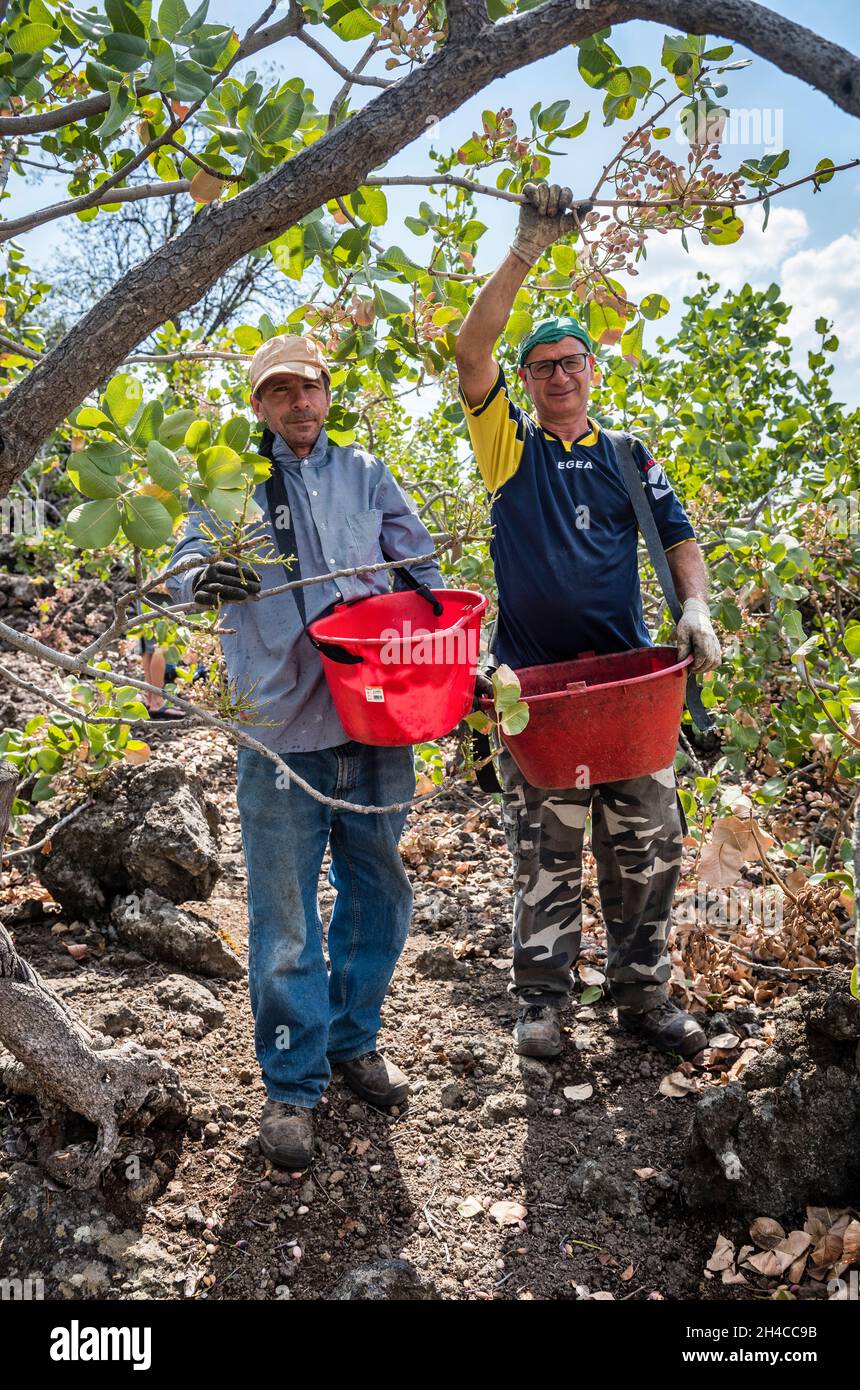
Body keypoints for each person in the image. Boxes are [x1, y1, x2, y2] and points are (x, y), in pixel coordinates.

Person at [455, 182, 722, 1061]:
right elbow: (469, 347)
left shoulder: (625, 455)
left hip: (629, 692)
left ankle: (642, 998)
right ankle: (541, 1004)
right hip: (537, 692)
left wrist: (694, 606)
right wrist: (526, 247)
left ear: (590, 371)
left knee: (647, 849)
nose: (559, 375)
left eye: (571, 361)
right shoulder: (508, 448)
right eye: (542, 367)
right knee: (545, 852)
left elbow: (678, 539)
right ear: (526, 382)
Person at [165, 333, 443, 1169]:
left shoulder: (365, 472)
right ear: (258, 405)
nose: (298, 403)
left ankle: (353, 1042)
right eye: (278, 391)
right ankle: (291, 1084)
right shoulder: (230, 484)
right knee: (284, 917)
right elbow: (182, 565)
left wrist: (433, 639)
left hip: (377, 713)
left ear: (327, 393)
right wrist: (202, 578)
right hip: (281, 724)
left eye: (309, 387)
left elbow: (421, 568)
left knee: (378, 889)